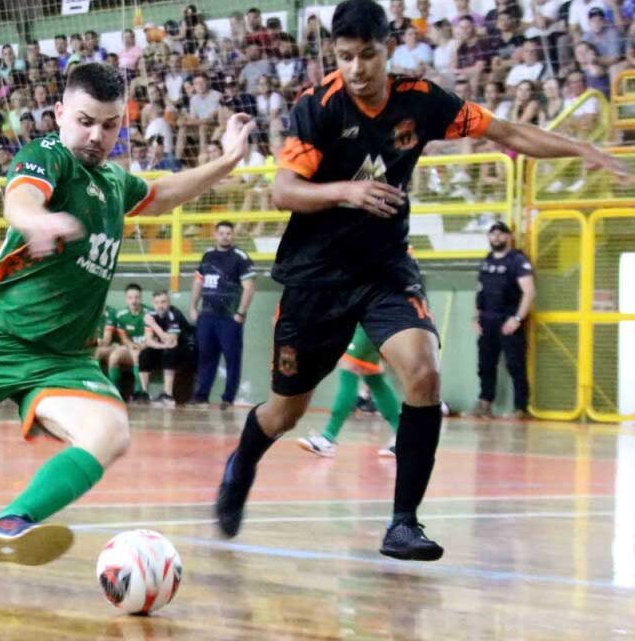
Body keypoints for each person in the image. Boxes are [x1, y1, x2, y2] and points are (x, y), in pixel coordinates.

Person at [213, 0, 626, 563]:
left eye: (368, 55)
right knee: (285, 413)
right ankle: (241, 464)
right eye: (345, 57)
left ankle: (402, 523)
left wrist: (583, 148)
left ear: (390, 48)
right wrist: (346, 192)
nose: (357, 68)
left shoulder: (422, 101)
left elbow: (504, 130)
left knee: (423, 373)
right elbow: (284, 191)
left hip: (385, 269)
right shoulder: (319, 106)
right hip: (317, 279)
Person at [0, 62, 254, 567]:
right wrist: (37, 221)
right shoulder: (48, 155)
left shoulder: (114, 181)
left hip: (63, 358)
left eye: (108, 125)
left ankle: (10, 523)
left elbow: (164, 194)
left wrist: (229, 160)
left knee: (111, 433)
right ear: (60, 113)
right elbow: (19, 199)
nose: (95, 135)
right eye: (84, 121)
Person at [297, 325, 400, 457]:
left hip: (370, 321)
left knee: (349, 367)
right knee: (373, 377)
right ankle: (403, 435)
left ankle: (328, 437)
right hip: (373, 321)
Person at [189, 221, 255, 409]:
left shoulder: (240, 257)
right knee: (206, 356)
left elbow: (249, 287)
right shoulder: (207, 256)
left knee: (232, 357)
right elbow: (198, 282)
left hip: (229, 318)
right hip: (207, 316)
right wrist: (193, 307)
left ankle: (228, 398)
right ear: (215, 235)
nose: (225, 236)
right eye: (222, 233)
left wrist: (240, 313)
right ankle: (201, 395)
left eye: (228, 233)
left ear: (233, 236)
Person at [472, 222, 535, 419]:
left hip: (508, 321)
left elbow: (529, 292)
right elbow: (480, 291)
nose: (496, 238)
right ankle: (484, 405)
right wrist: (476, 316)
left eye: (500, 234)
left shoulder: (517, 260)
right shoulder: (487, 260)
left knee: (515, 365)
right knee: (485, 365)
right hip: (487, 321)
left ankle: (520, 408)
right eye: (493, 234)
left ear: (509, 237)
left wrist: (517, 319)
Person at [139, 290, 195, 407]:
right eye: (157, 302)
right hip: (168, 347)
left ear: (169, 302)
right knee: (144, 353)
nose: (160, 306)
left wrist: (154, 325)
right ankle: (144, 393)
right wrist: (163, 345)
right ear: (153, 304)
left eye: (163, 302)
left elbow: (172, 341)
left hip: (188, 348)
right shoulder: (151, 315)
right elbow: (149, 341)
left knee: (169, 353)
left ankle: (168, 395)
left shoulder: (173, 314)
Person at [108, 283, 153, 402]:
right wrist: (130, 345)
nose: (134, 301)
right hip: (130, 348)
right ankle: (115, 393)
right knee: (113, 356)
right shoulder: (121, 315)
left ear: (141, 298)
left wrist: (140, 346)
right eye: (130, 297)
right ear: (126, 299)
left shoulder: (149, 313)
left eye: (137, 297)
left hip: (146, 349)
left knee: (137, 355)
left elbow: (150, 337)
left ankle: (138, 392)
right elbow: (123, 337)